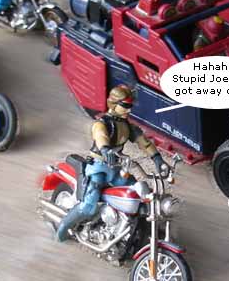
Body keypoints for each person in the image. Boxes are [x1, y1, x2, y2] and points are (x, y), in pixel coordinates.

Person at [56, 84, 169, 242]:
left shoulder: (128, 126)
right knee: (89, 205)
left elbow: (145, 143)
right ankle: (63, 227)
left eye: (130, 106)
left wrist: (157, 158)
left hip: (117, 168)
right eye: (126, 106)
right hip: (98, 167)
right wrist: (105, 150)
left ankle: (137, 227)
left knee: (138, 191)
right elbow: (100, 136)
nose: (129, 110)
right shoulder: (102, 123)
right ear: (114, 103)